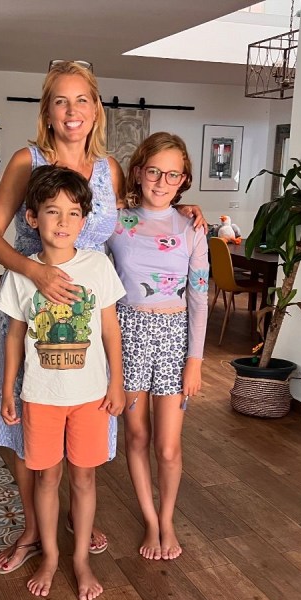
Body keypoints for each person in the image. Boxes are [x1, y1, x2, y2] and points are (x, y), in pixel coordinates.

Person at [0, 60, 205, 574]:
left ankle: (79, 519)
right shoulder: (25, 159)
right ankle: (34, 530)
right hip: (29, 304)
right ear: (47, 110)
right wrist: (34, 274)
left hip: (95, 314)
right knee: (28, 426)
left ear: (96, 108)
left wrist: (189, 212)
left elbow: (141, 216)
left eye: (82, 100)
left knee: (86, 418)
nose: (72, 110)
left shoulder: (109, 169)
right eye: (61, 100)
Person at [0, 165, 126, 600]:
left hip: (90, 398)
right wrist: (7, 389)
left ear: (85, 222)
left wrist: (117, 384)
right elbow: (14, 335)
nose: (63, 222)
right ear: (33, 218)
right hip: (39, 397)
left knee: (85, 480)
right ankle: (50, 556)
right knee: (47, 480)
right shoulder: (23, 272)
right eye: (53, 212)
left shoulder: (98, 266)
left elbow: (110, 329)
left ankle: (80, 560)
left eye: (73, 213)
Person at [107, 132, 209, 560]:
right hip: (127, 335)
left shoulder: (192, 228)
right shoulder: (116, 222)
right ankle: (150, 521)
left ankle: (167, 519)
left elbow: (199, 298)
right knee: (136, 436)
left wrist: (196, 361)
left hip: (174, 336)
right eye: (154, 171)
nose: (162, 181)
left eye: (172, 174)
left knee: (167, 446)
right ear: (138, 171)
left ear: (183, 179)